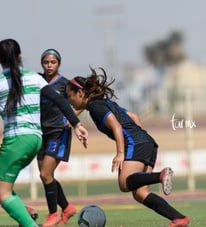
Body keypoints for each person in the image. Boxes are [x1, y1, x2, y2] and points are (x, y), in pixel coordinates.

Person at [0, 39, 88, 227]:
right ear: (20, 56)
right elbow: (60, 100)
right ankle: (24, 211)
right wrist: (77, 124)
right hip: (35, 139)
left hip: (16, 141)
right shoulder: (35, 78)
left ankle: (28, 221)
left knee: (1, 192)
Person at [65, 67, 190, 227]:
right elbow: (133, 116)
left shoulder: (96, 108)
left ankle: (161, 175)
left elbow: (116, 126)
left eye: (69, 96)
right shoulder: (103, 103)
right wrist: (140, 137)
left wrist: (121, 153)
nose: (69, 101)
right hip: (147, 142)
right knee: (140, 193)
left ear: (80, 94)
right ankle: (179, 219)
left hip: (136, 143)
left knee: (124, 183)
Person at [37, 49, 86, 226]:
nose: (49, 65)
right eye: (46, 62)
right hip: (41, 133)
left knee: (45, 173)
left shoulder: (65, 84)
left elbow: (85, 100)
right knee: (46, 176)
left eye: (53, 62)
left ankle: (53, 214)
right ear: (42, 63)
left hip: (59, 133)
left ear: (59, 63)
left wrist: (72, 117)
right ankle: (66, 208)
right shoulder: (37, 80)